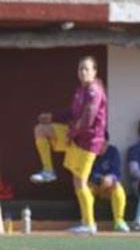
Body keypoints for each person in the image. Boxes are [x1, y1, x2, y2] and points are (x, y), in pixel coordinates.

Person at [30, 55, 107, 235]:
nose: (83, 72)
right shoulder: (80, 90)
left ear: (94, 71)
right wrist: (53, 117)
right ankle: (48, 170)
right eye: (80, 68)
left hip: (88, 142)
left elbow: (88, 119)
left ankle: (89, 224)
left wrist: (71, 134)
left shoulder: (94, 91)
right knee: (41, 129)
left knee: (80, 182)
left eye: (87, 69)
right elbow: (72, 113)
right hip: (75, 137)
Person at [89, 135, 129, 232]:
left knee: (118, 187)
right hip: (94, 185)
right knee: (84, 189)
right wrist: (100, 179)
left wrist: (110, 178)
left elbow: (117, 173)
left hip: (109, 186)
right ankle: (88, 221)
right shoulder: (89, 151)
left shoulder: (113, 151)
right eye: (98, 144)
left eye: (104, 144)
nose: (101, 147)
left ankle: (119, 221)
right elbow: (87, 173)